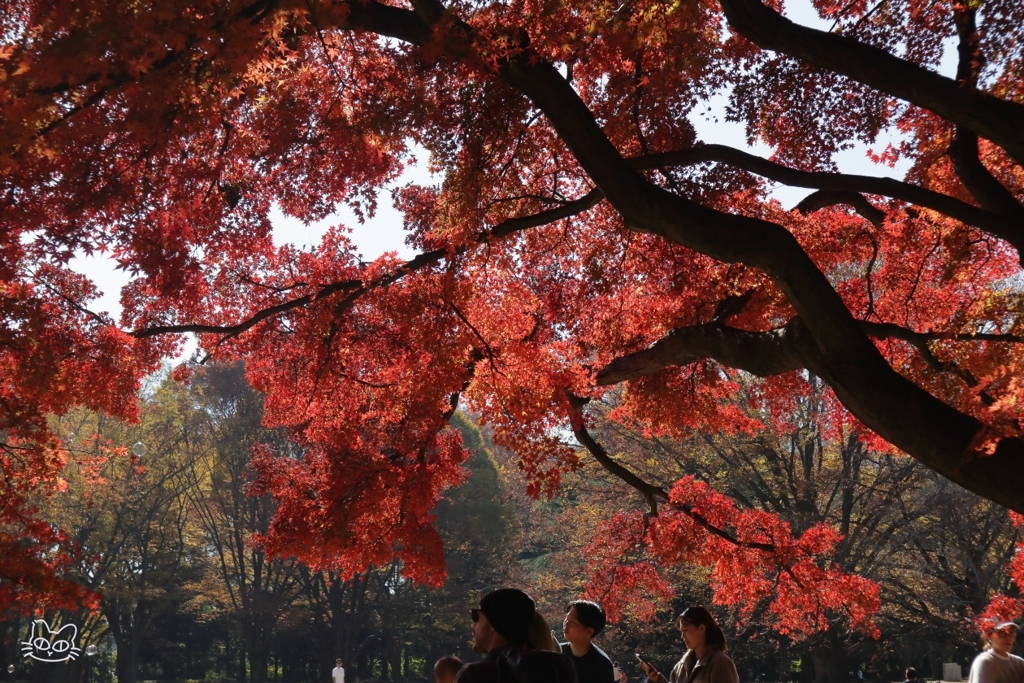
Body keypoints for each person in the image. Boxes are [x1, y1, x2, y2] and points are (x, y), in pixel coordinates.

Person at [455, 588, 577, 683]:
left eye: (476, 617)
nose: (473, 625)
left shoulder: (475, 675)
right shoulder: (557, 668)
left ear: (493, 622)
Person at [637, 607, 739, 683]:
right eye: (681, 631)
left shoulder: (720, 662)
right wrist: (657, 680)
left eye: (685, 630)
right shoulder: (682, 665)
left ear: (701, 629)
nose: (682, 636)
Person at [561, 600, 616, 683]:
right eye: (566, 618)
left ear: (589, 631)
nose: (566, 624)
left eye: (573, 622)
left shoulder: (601, 664)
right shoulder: (556, 651)